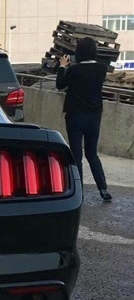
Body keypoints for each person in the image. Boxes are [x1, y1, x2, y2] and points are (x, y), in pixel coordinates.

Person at [56, 37, 111, 201]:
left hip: (75, 117)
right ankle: (103, 189)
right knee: (92, 154)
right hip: (94, 117)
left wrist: (62, 66)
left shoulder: (74, 70)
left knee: (76, 155)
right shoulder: (102, 69)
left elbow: (60, 85)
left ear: (79, 52)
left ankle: (79, 191)